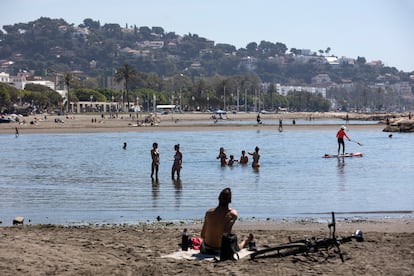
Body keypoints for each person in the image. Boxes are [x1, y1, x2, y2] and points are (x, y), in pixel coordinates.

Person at [200, 188, 253, 255]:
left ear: (218, 198)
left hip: (206, 248)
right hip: (220, 250)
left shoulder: (208, 213)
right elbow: (226, 234)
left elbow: (202, 235)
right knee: (235, 245)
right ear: (230, 201)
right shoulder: (232, 214)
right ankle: (246, 241)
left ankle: (246, 241)